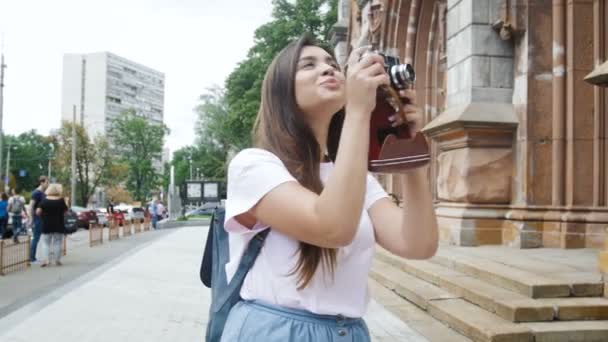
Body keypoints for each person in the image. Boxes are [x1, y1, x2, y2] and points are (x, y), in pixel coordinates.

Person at [219, 36, 438, 341]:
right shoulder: (254, 166)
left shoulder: (351, 177)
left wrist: (407, 148)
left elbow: (418, 244)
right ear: (281, 90)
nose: (328, 70)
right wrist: (359, 111)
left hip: (348, 331)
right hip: (276, 331)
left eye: (333, 65)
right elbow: (332, 228)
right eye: (308, 65)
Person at [36, 183, 68, 267]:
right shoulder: (61, 200)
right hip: (58, 224)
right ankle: (57, 260)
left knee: (45, 243)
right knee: (57, 243)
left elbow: (38, 212)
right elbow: (65, 212)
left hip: (46, 224)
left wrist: (43, 214)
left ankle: (46, 260)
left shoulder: (44, 200)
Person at [30, 176, 49, 262]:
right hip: (37, 218)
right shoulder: (36, 193)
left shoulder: (43, 193)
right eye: (46, 182)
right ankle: (31, 258)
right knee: (36, 238)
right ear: (41, 182)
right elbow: (31, 206)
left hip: (42, 218)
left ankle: (35, 256)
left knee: (40, 238)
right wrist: (31, 219)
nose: (47, 184)